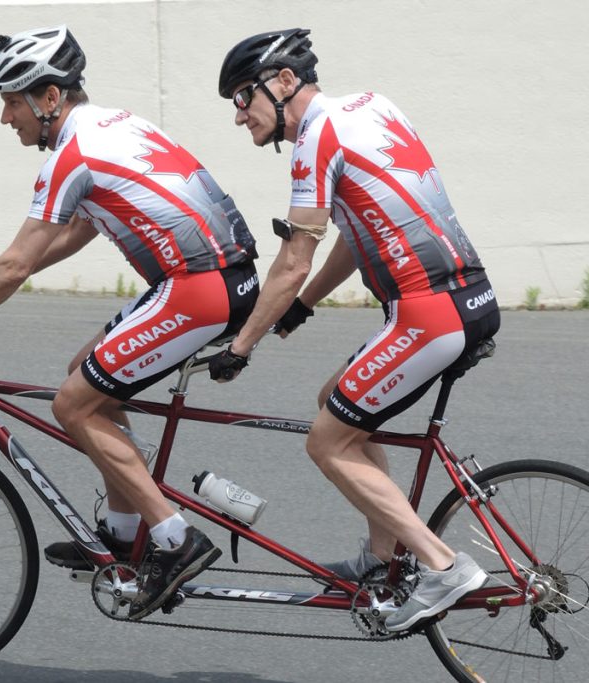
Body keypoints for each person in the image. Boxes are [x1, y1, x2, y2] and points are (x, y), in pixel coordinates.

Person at [0, 25, 259, 620]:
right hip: (217, 280)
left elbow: (17, 262)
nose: (5, 118)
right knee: (87, 374)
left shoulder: (72, 154)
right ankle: (123, 534)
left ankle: (176, 540)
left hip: (198, 288)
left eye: (12, 102)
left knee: (73, 405)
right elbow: (75, 230)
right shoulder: (113, 125)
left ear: (50, 97)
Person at [213, 28, 501, 632]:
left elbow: (293, 261)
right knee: (336, 403)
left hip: (427, 314)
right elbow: (354, 228)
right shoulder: (372, 106)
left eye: (243, 97)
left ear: (284, 81)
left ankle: (443, 567)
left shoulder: (314, 139)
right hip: (466, 298)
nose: (239, 115)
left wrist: (241, 346)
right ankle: (381, 557)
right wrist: (302, 307)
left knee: (327, 442)